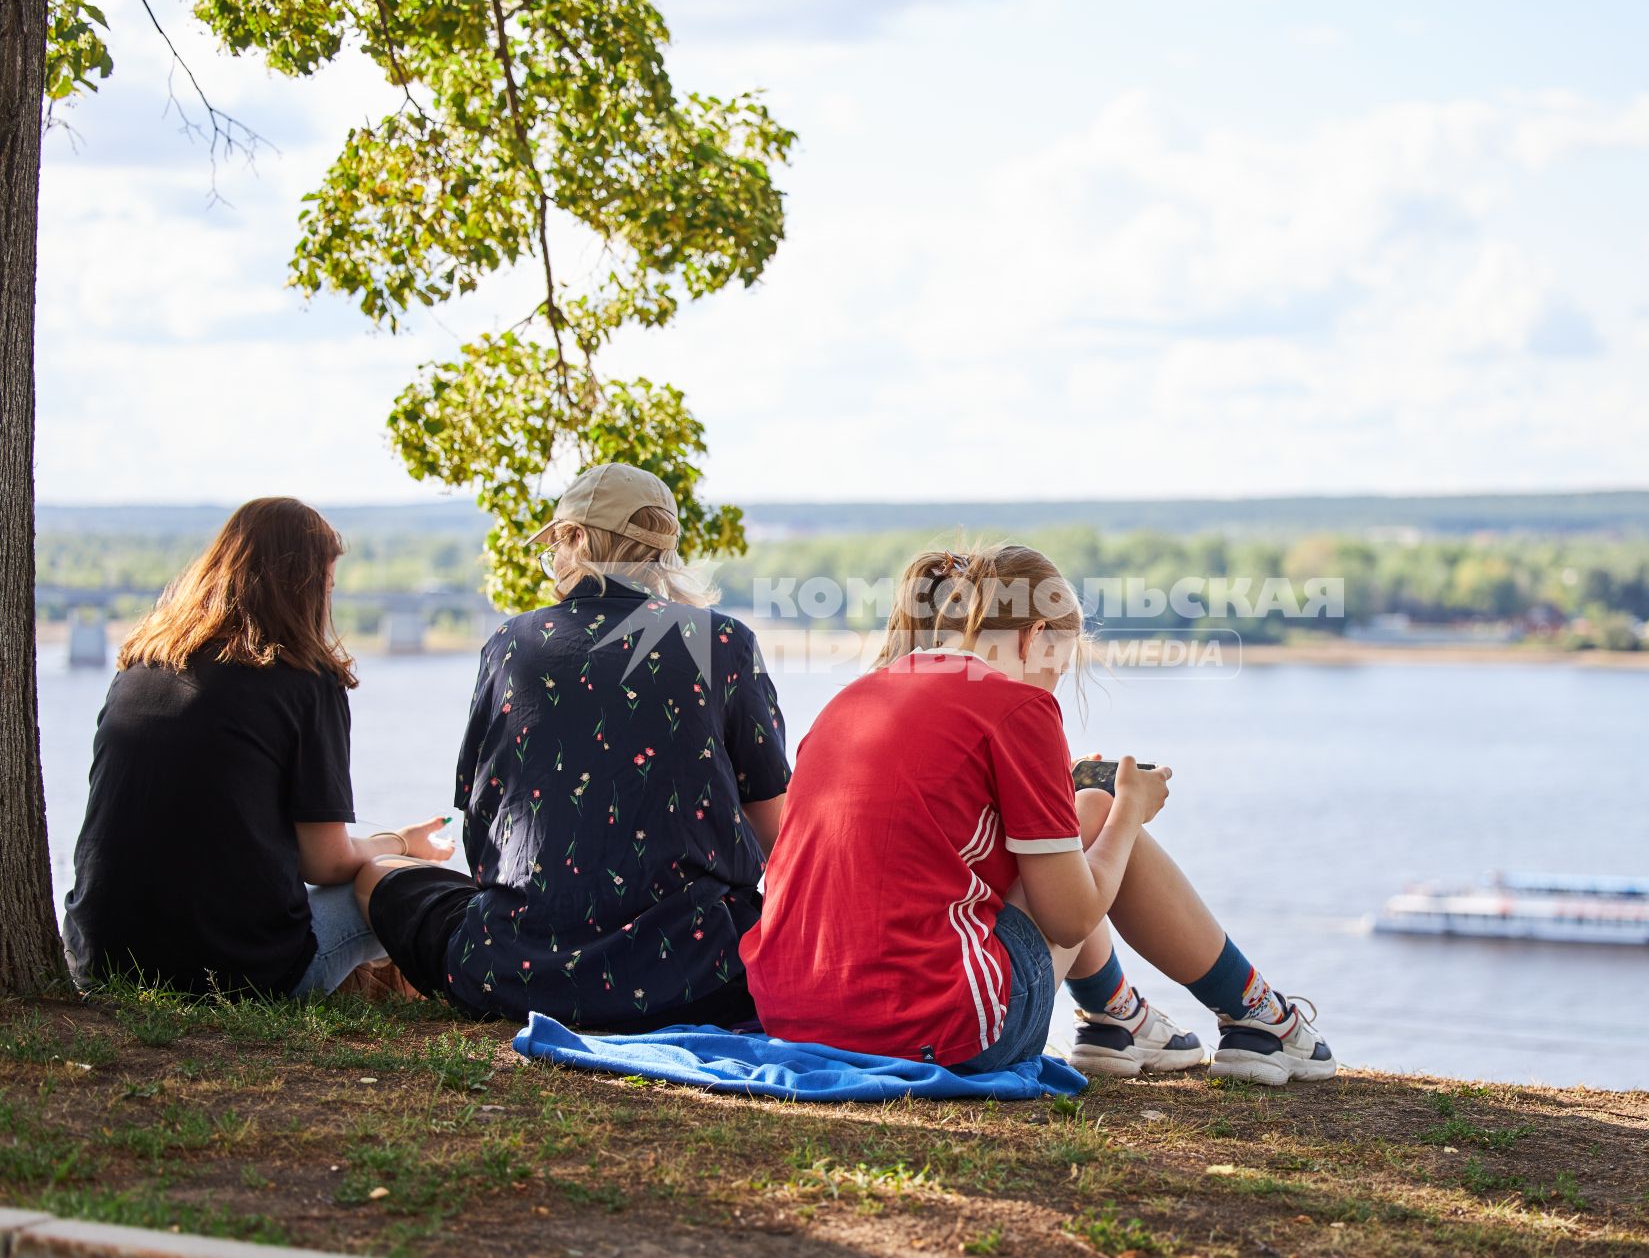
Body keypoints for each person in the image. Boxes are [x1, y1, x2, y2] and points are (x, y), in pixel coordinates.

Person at [741, 543, 1336, 1085]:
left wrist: (1056, 800)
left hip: (793, 1013)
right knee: (1098, 813)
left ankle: (1117, 1018)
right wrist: (1128, 811)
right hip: (932, 1031)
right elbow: (1071, 917)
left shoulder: (857, 697)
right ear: (1035, 636)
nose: (1055, 680)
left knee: (1070, 822)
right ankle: (1261, 1017)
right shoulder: (1016, 705)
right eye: (1061, 658)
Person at [354, 464, 790, 1031]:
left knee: (375, 874)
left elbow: (482, 820)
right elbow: (774, 830)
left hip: (513, 974)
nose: (553, 559)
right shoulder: (722, 640)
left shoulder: (512, 642)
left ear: (579, 540)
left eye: (557, 541)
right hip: (699, 977)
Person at [63, 498, 454, 998]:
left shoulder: (140, 666)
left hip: (100, 959)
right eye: (327, 588)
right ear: (304, 591)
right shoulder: (305, 684)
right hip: (234, 976)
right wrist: (401, 844)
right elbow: (326, 864)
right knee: (396, 888)